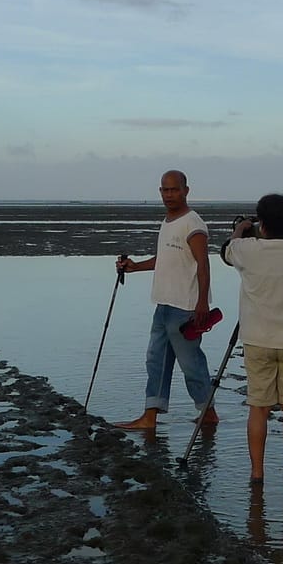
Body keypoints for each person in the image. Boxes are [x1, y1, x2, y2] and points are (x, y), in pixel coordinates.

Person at [220, 193, 283, 482]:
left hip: (257, 338)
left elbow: (227, 250)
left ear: (260, 221)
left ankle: (257, 472)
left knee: (259, 408)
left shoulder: (246, 249)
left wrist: (240, 227)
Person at [113, 170, 219, 429]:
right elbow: (167, 260)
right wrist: (134, 267)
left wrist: (202, 303)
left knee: (191, 364)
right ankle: (149, 417)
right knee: (155, 361)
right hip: (163, 304)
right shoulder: (168, 220)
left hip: (185, 308)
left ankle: (208, 413)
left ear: (186, 190)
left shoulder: (193, 224)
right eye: (165, 190)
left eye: (174, 189)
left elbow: (203, 265)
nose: (169, 195)